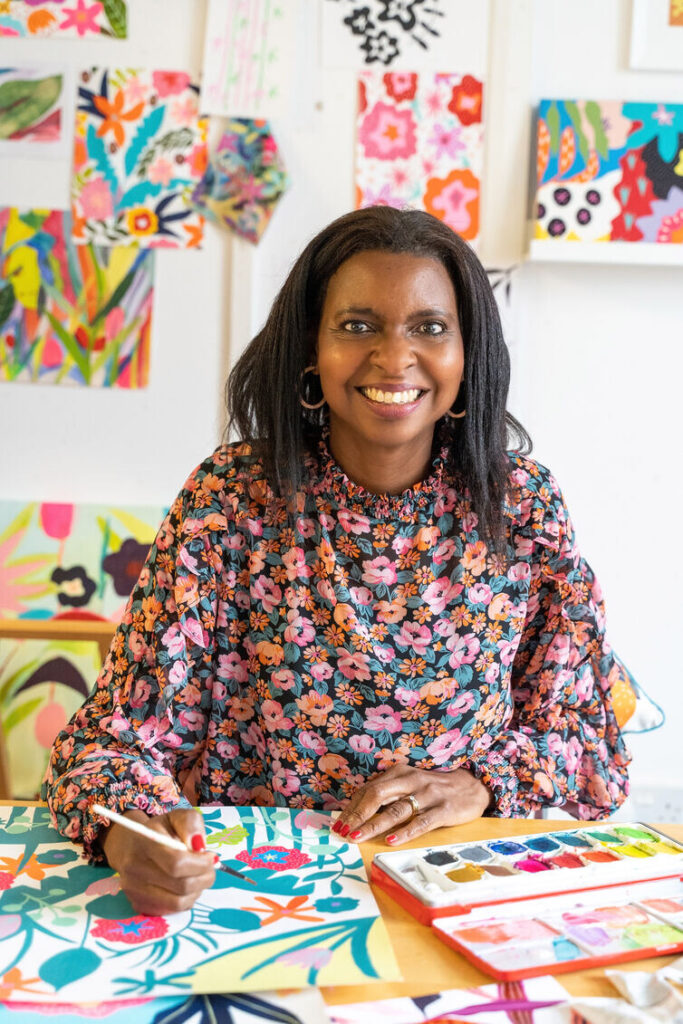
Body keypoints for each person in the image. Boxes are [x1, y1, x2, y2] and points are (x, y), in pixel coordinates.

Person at [44, 206, 632, 915]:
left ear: (466, 354)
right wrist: (126, 834)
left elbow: (585, 744)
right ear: (309, 356)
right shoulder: (232, 501)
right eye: (357, 325)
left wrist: (477, 782)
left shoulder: (521, 506)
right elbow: (108, 740)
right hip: (258, 896)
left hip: (462, 889)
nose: (393, 357)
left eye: (429, 327)